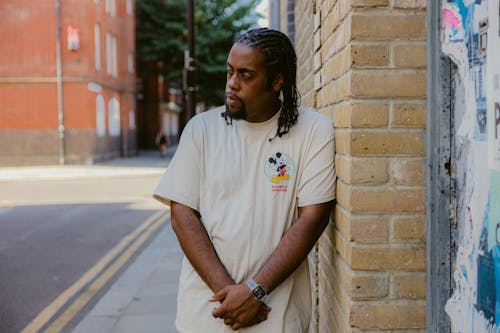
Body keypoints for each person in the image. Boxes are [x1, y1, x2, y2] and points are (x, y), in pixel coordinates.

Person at [153, 27, 336, 332]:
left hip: (276, 314)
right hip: (208, 313)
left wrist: (256, 291)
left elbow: (313, 218)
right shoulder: (202, 130)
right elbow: (182, 214)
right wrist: (232, 296)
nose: (232, 84)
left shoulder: (314, 131)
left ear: (277, 81)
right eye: (230, 72)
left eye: (246, 75)